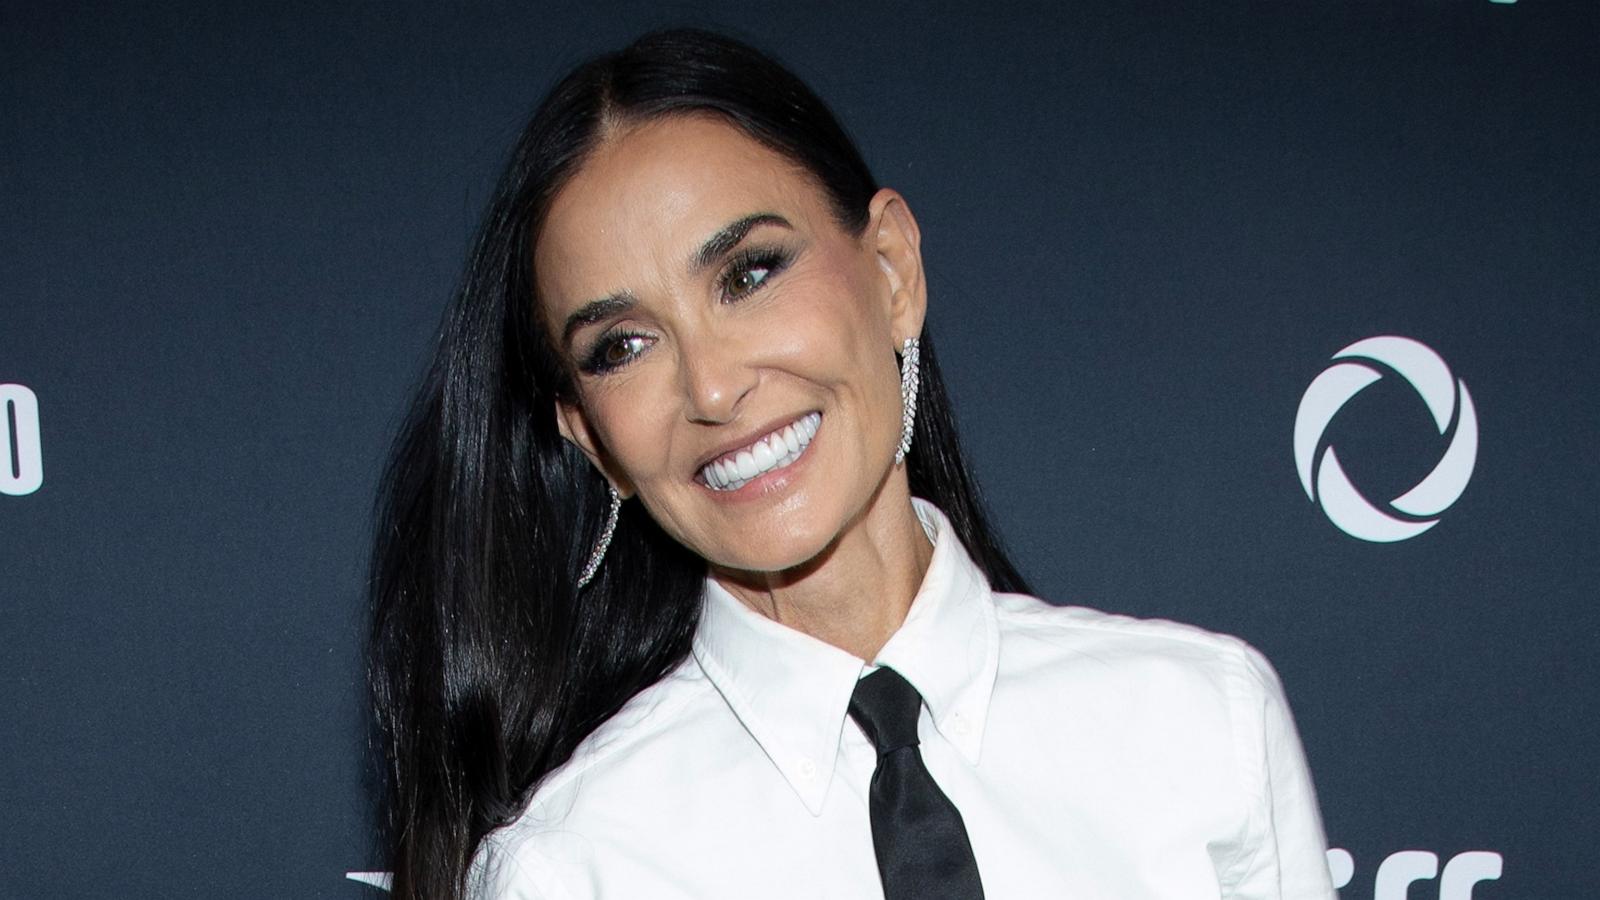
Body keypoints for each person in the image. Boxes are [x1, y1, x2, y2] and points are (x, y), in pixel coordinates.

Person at [367, 27, 1336, 900]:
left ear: (891, 273)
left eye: (748, 274)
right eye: (623, 346)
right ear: (592, 442)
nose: (711, 387)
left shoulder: (1203, 725)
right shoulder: (573, 868)